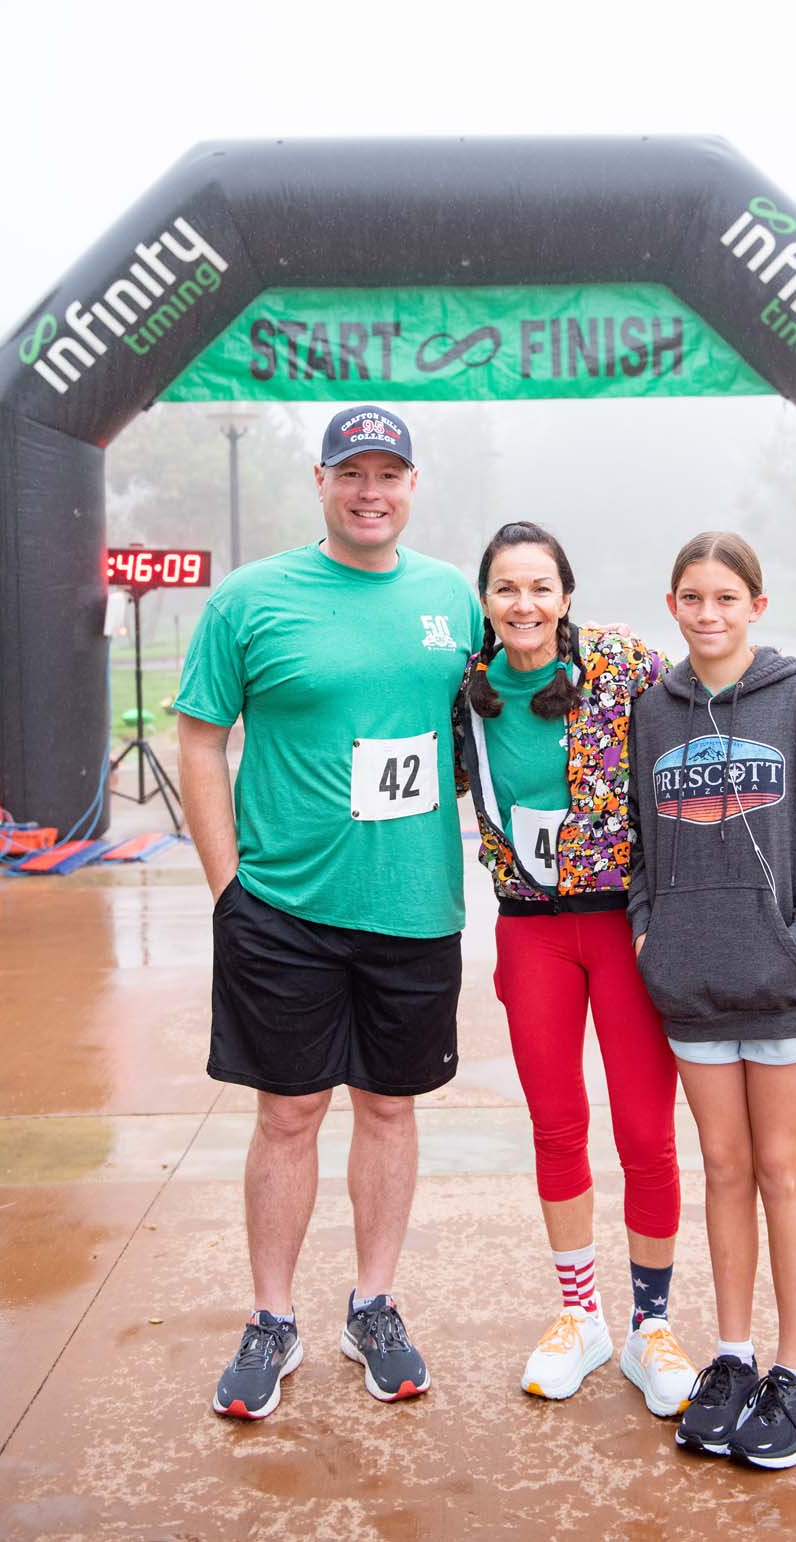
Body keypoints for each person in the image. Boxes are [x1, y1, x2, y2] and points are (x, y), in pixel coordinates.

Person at [456, 522, 796, 1417]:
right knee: (557, 1121)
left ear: (567, 596)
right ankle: (579, 1317)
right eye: (506, 589)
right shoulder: (464, 696)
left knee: (648, 1130)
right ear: (485, 601)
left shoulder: (625, 667)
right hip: (531, 927)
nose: (524, 605)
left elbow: (732, 677)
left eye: (540, 588)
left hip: (623, 926)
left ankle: (652, 1324)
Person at [175, 405, 483, 1420]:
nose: (371, 490)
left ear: (411, 486)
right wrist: (229, 890)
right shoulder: (250, 599)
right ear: (320, 481)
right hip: (285, 906)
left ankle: (374, 1304)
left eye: (389, 473)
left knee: (389, 1108)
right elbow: (201, 742)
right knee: (288, 1112)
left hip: (413, 904)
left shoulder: (451, 599)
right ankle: (272, 1317)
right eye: (353, 472)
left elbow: (541, 685)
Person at [627, 531, 796, 1470]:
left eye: (726, 597)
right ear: (673, 605)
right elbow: (647, 850)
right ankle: (730, 1359)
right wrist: (654, 937)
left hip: (789, 990)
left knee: (781, 1170)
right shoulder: (653, 712)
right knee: (722, 1171)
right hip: (692, 989)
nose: (708, 612)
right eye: (692, 596)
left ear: (757, 607)